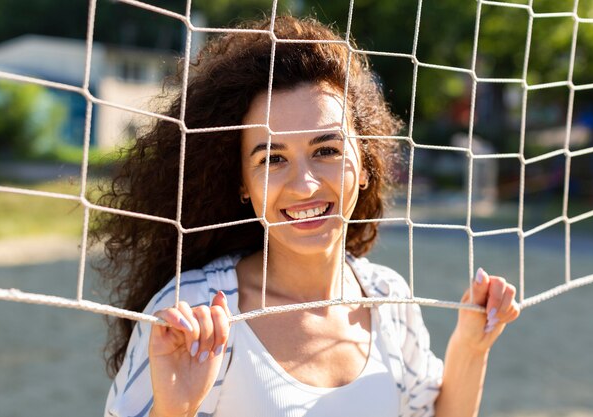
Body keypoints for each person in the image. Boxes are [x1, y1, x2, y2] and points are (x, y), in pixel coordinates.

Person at [95, 15, 520, 417]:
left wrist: (470, 348)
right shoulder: (192, 310)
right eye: (272, 159)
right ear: (241, 182)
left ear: (367, 162)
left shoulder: (389, 297)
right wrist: (176, 411)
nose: (305, 185)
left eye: (326, 151)